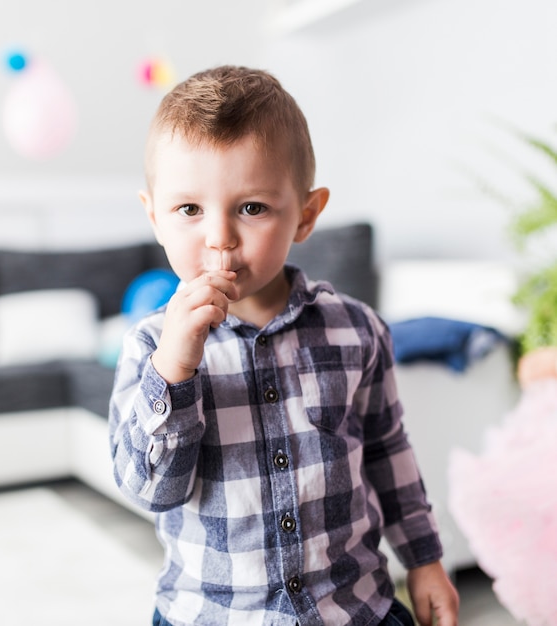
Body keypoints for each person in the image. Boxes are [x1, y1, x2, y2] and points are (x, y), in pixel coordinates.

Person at [109, 65, 459, 626]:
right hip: (212, 614)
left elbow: (389, 451)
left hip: (354, 608)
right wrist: (173, 371)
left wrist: (424, 560)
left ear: (307, 213)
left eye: (251, 207)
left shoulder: (357, 329)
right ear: (154, 216)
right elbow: (150, 489)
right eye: (189, 209)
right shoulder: (149, 346)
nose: (219, 236)